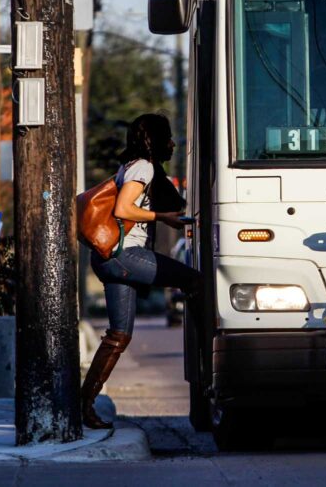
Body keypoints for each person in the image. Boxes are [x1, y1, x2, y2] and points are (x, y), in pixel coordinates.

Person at [82, 113, 201, 429]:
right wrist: (162, 217)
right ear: (156, 139)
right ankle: (210, 365)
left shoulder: (131, 166)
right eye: (168, 137)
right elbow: (123, 209)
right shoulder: (143, 167)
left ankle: (83, 404)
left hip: (109, 258)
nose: (173, 143)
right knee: (194, 280)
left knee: (119, 335)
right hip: (124, 256)